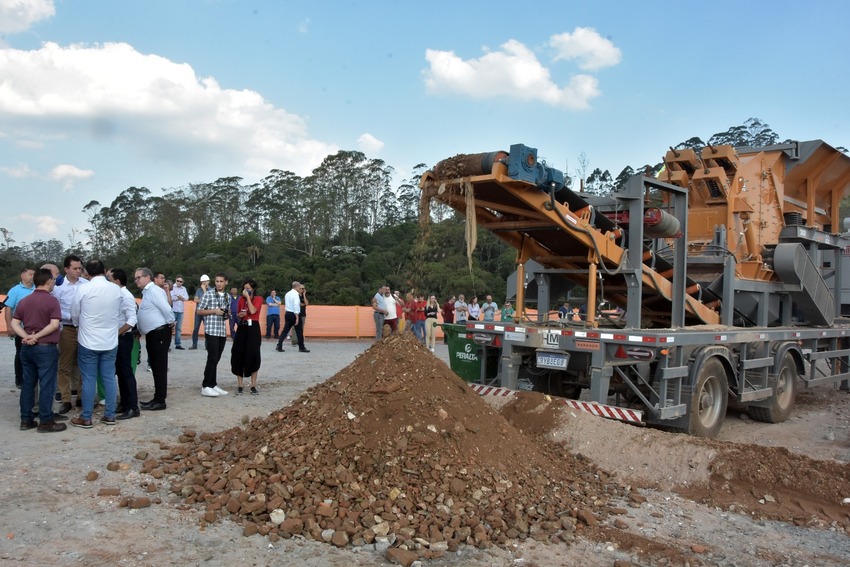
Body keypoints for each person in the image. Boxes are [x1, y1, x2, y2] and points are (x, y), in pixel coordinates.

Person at [69, 259, 123, 429]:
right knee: (108, 377)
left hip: (88, 340)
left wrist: (79, 326)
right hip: (109, 340)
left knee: (89, 378)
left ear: (87, 273)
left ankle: (86, 417)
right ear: (105, 270)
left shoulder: (83, 288)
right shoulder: (115, 289)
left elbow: (74, 313)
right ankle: (110, 414)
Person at [12, 268, 67, 432]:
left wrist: (26, 336)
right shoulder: (52, 301)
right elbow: (54, 325)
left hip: (27, 349)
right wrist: (36, 337)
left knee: (28, 384)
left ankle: (26, 419)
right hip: (45, 348)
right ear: (49, 280)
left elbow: (15, 323)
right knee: (47, 385)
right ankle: (46, 420)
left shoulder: (25, 300)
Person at [134, 267, 175, 411]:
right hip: (153, 334)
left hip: (159, 333)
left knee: (159, 367)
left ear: (147, 277)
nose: (136, 280)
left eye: (138, 277)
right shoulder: (148, 292)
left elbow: (166, 308)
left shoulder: (154, 291)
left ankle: (160, 400)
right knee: (156, 367)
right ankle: (157, 398)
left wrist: (171, 322)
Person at [53, 255, 88, 413]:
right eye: (75, 268)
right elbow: (56, 309)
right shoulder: (58, 289)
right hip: (67, 328)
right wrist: (72, 315)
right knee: (65, 365)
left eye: (80, 268)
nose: (78, 271)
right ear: (66, 269)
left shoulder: (86, 285)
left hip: (85, 328)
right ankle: (66, 399)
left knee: (83, 364)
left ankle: (81, 396)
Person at [108, 268, 140, 420]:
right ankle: (124, 403)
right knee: (120, 372)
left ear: (117, 281)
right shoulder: (117, 295)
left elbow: (132, 320)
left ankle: (133, 407)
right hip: (119, 337)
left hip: (123, 338)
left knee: (126, 372)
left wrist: (118, 332)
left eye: (109, 279)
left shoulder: (126, 296)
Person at [197, 273, 230, 398]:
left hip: (221, 330)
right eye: (217, 281)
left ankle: (213, 383)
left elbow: (225, 312)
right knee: (212, 357)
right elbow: (199, 311)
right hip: (211, 330)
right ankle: (206, 386)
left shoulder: (227, 296)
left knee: (217, 358)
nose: (219, 283)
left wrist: (227, 313)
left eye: (221, 281)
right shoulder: (209, 294)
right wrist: (214, 311)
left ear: (226, 282)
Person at [4, 266, 35, 389]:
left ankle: (31, 378)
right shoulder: (15, 290)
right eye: (30, 274)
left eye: (34, 274)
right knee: (21, 353)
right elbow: (8, 308)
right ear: (22, 275)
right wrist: (9, 325)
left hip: (35, 328)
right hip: (20, 328)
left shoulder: (37, 289)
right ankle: (20, 379)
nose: (32, 277)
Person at [232, 278, 264, 395]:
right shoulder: (241, 299)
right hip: (242, 327)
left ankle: (253, 385)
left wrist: (249, 299)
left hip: (253, 327)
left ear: (253, 289)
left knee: (254, 354)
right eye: (245, 288)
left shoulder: (259, 299)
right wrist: (240, 315)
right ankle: (240, 385)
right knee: (239, 353)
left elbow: (253, 310)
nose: (246, 290)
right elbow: (239, 313)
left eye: (248, 288)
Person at [275, 281, 310, 353]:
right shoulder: (296, 295)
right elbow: (296, 305)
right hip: (294, 313)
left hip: (287, 313)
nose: (300, 288)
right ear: (296, 287)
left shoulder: (287, 294)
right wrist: (297, 317)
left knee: (285, 330)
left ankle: (279, 345)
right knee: (299, 331)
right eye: (299, 287)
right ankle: (301, 347)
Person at [189, 274, 210, 350]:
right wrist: (203, 300)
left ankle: (207, 345)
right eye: (202, 281)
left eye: (205, 281)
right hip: (198, 311)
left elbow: (208, 300)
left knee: (207, 329)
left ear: (208, 281)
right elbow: (195, 300)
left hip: (206, 312)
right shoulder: (198, 290)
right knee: (196, 328)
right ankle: (194, 344)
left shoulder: (211, 290)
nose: (204, 283)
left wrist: (204, 291)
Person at [170, 275, 189, 349]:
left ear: (182, 282)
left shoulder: (183, 288)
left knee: (179, 328)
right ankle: (168, 344)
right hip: (173, 310)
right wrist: (180, 297)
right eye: (178, 281)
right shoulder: (172, 287)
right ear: (175, 280)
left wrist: (178, 297)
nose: (179, 282)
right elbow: (171, 298)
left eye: (181, 281)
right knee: (170, 328)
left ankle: (178, 344)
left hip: (180, 310)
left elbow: (186, 298)